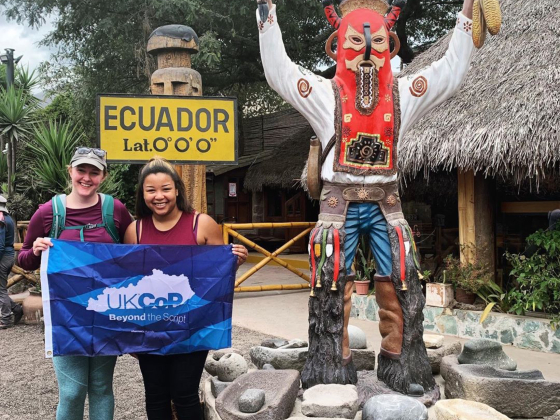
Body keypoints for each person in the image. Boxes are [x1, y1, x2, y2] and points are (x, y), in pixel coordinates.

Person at [257, 0, 476, 393]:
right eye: (357, 41)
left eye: (376, 43)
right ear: (337, 46)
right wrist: (266, 14)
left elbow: (450, 73)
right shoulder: (323, 94)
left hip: (386, 202)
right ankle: (329, 367)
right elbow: (280, 72)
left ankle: (402, 364)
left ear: (390, 46)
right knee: (329, 282)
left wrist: (466, 17)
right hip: (337, 204)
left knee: (404, 277)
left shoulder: (405, 93)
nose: (368, 51)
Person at [124, 157, 247, 420]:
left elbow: (217, 278)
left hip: (192, 325)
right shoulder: (135, 230)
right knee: (155, 396)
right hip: (151, 327)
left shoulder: (201, 224)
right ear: (142, 194)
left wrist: (233, 262)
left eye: (166, 188)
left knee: (184, 394)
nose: (159, 196)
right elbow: (129, 284)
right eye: (151, 190)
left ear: (177, 190)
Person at [18, 147, 133, 420]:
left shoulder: (115, 210)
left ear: (103, 176)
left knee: (102, 387)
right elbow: (23, 259)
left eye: (94, 172)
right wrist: (34, 250)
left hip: (106, 314)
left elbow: (134, 254)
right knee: (71, 391)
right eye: (81, 170)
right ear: (70, 171)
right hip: (65, 318)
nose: (86, 177)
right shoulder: (48, 212)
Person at [0, 195, 23, 329]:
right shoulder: (7, 218)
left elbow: (0, 245)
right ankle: (16, 308)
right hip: (8, 255)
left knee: (1, 290)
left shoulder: (1, 220)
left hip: (3, 257)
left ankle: (5, 319)